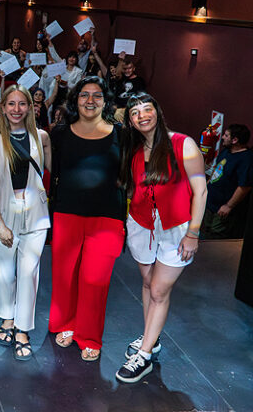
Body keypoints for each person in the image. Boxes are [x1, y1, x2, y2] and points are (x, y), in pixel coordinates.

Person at [115, 92, 206, 383]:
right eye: (135, 113)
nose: (142, 116)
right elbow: (131, 188)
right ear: (130, 120)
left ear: (157, 111)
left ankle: (144, 355)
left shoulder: (183, 144)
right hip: (141, 224)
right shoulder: (133, 148)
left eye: (147, 109)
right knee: (146, 283)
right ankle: (151, 340)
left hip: (176, 229)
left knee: (158, 291)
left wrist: (193, 233)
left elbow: (201, 191)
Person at [48, 76, 126, 361]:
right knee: (65, 276)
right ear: (75, 99)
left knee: (95, 280)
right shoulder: (60, 133)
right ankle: (65, 324)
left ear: (105, 101)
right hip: (67, 212)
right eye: (84, 95)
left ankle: (89, 335)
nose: (90, 101)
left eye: (96, 95)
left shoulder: (121, 132)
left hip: (106, 217)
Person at [0, 85, 51, 361]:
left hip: (36, 213)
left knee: (28, 274)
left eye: (21, 104)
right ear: (2, 107)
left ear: (31, 107)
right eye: (10, 104)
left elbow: (51, 173)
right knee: (3, 273)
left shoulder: (42, 137)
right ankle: (7, 320)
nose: (16, 109)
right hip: (4, 213)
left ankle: (23, 329)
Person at [201, 124, 253, 239]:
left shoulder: (246, 159)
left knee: (215, 237)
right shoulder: (227, 151)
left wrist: (228, 206)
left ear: (235, 140)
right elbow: (216, 172)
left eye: (226, 135)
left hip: (221, 209)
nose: (223, 137)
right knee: (206, 232)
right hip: (210, 203)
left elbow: (244, 187)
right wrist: (206, 187)